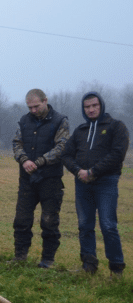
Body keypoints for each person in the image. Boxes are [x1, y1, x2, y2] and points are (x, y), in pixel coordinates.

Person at [61, 91, 129, 276]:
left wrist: (93, 172)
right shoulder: (80, 131)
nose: (91, 110)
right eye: (87, 107)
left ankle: (116, 268)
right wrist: (78, 171)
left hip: (106, 182)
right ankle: (89, 265)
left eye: (94, 106)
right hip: (82, 183)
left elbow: (117, 155)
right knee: (84, 225)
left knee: (108, 225)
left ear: (101, 106)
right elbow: (66, 154)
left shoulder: (117, 127)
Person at [11, 88, 69, 268]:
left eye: (36, 106)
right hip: (26, 178)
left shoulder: (60, 121)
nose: (33, 111)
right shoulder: (24, 121)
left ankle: (47, 260)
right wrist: (24, 160)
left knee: (49, 221)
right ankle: (20, 257)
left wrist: (40, 161)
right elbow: (17, 143)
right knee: (21, 219)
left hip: (50, 179)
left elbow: (62, 146)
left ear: (45, 100)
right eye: (30, 107)